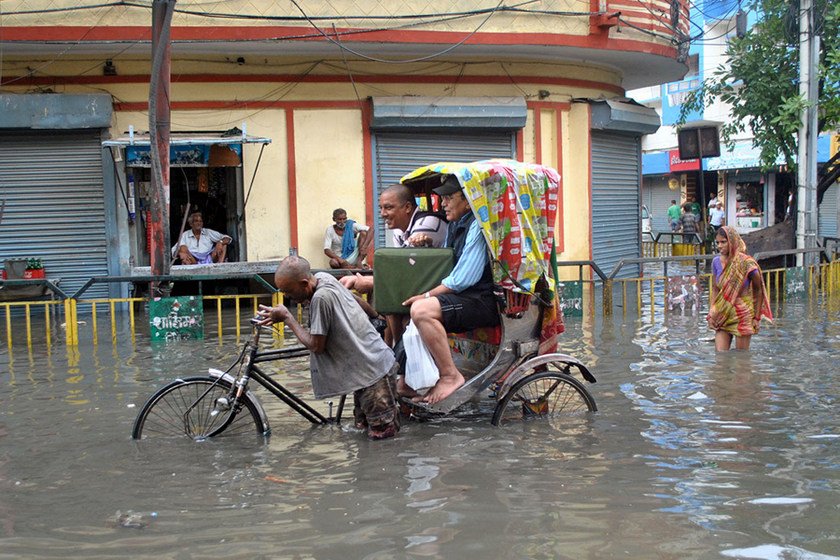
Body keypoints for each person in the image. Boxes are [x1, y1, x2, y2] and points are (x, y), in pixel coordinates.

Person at [257, 255, 400, 439]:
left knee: (383, 438)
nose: (286, 296)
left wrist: (288, 318)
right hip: (365, 369)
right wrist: (376, 318)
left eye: (288, 291)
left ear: (304, 283)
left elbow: (317, 346)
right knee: (363, 430)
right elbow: (355, 299)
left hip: (372, 372)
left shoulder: (321, 298)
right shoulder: (324, 277)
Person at [400, 175, 500, 405]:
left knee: (422, 310)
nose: (443, 203)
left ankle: (450, 375)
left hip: (481, 300)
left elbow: (464, 278)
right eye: (442, 197)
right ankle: (406, 378)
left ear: (468, 201)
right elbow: (447, 264)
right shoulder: (455, 224)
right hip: (463, 298)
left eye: (449, 197)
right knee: (406, 310)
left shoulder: (477, 226)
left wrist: (426, 296)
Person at [340, 184, 448, 343]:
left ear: (408, 207)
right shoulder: (398, 229)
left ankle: (396, 347)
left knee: (387, 292)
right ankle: (391, 346)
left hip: (439, 283)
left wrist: (369, 282)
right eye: (381, 208)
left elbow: (405, 271)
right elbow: (399, 268)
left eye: (388, 208)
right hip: (421, 280)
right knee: (386, 295)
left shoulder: (428, 223)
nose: (383, 214)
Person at [706, 226, 773, 352]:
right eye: (717, 243)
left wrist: (757, 318)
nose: (720, 246)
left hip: (743, 314)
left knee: (741, 359)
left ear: (732, 241)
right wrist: (712, 312)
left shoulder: (746, 263)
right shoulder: (716, 262)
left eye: (723, 242)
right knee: (720, 358)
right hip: (723, 314)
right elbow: (715, 289)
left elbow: (759, 290)